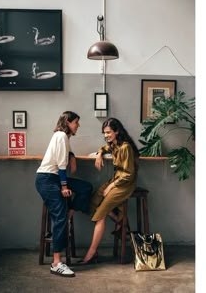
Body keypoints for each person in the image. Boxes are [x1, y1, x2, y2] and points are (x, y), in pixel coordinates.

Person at [35, 111, 93, 277]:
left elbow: (66, 154)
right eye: (76, 122)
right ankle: (56, 263)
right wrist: (64, 187)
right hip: (47, 180)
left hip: (52, 178)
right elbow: (61, 166)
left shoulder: (62, 137)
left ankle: (69, 214)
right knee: (59, 217)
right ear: (68, 122)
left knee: (85, 188)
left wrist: (73, 156)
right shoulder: (61, 136)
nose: (78, 125)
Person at [79, 117, 139, 264]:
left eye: (108, 132)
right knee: (94, 200)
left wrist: (111, 186)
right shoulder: (113, 145)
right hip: (116, 180)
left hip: (125, 183)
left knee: (100, 216)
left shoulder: (125, 147)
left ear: (117, 131)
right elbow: (104, 148)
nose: (106, 136)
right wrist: (99, 154)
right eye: (104, 133)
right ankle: (119, 219)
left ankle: (91, 253)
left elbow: (129, 174)